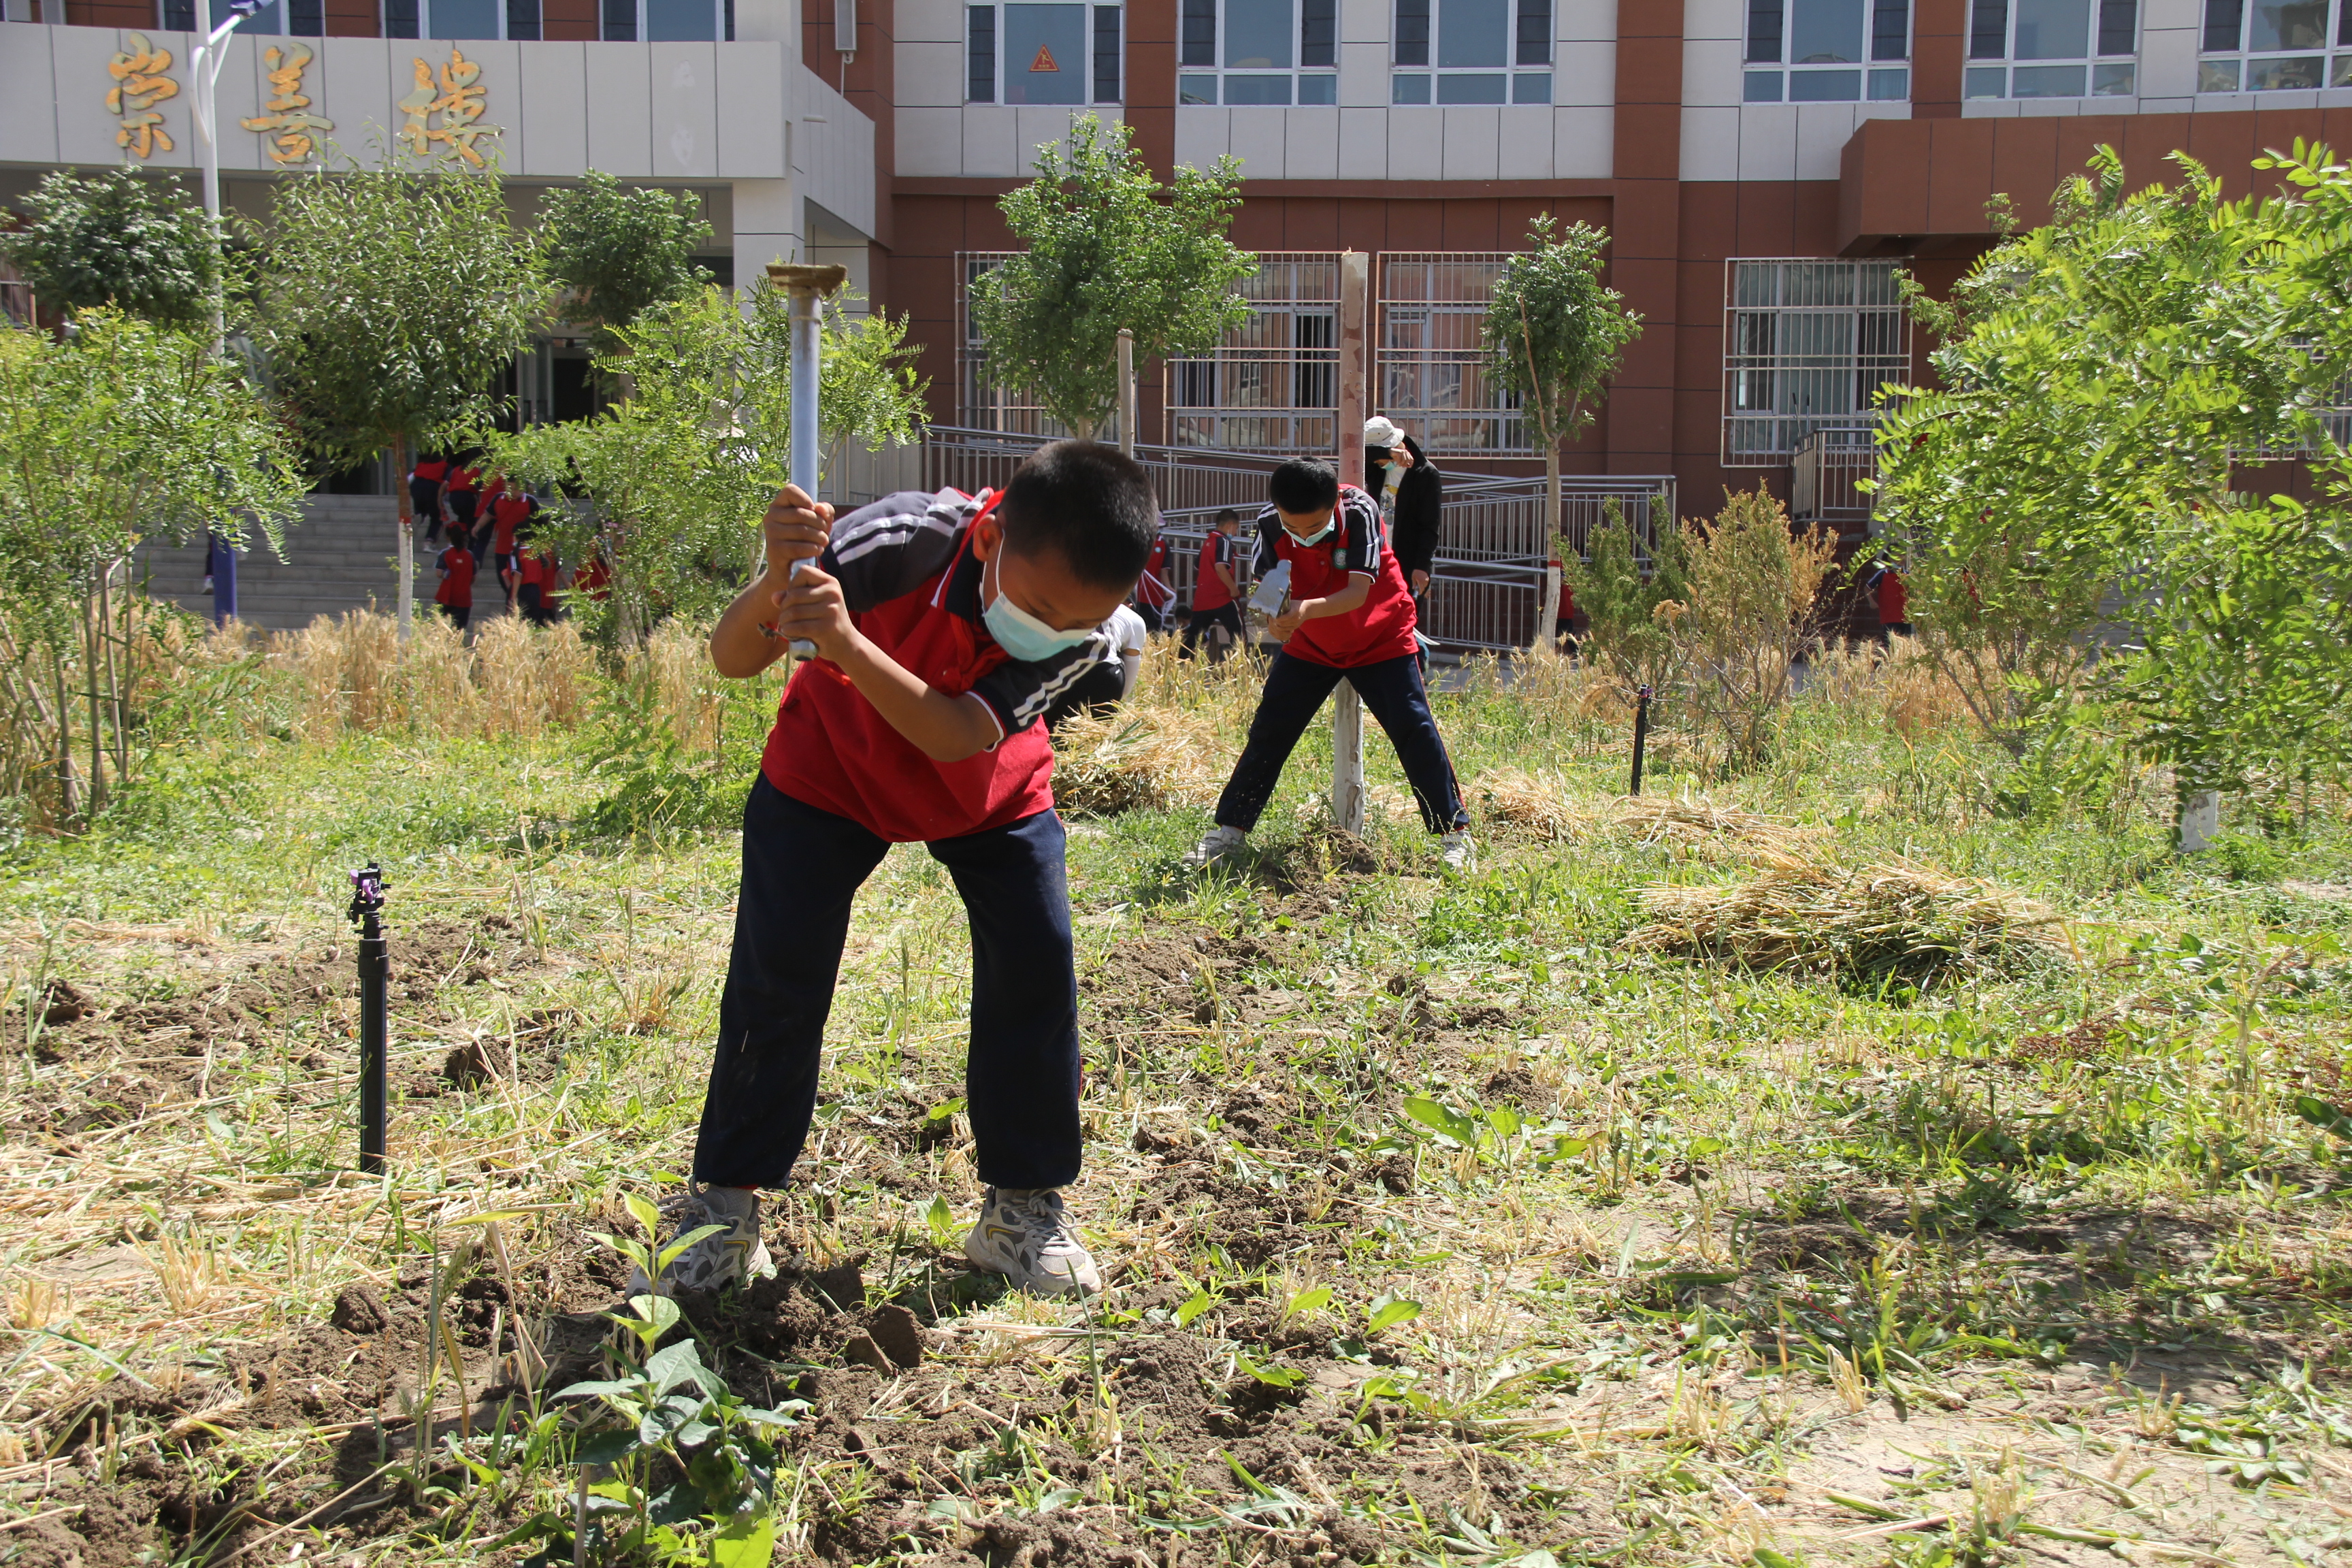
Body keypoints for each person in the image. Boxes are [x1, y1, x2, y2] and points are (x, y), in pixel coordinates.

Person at [637, 440, 1158, 1301]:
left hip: (985, 792)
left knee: (1037, 965)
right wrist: (777, 582)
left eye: (1074, 619)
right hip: (828, 773)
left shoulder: (1087, 638)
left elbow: (955, 733)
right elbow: (734, 658)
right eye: (1037, 606)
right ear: (989, 537)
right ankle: (723, 1207)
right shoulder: (894, 544)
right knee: (776, 976)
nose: (1055, 628)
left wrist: (841, 642)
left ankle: (1021, 1212)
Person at [1185, 459, 1474, 874]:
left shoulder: (1360, 510)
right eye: (1293, 526)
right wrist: (1277, 622)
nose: (1302, 535)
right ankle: (1230, 831)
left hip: (1380, 636)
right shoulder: (1268, 523)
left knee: (1414, 727)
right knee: (1270, 729)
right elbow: (1270, 591)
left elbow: (1358, 592)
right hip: (1312, 644)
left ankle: (1454, 835)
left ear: (1334, 502)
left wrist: (1302, 611)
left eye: (1314, 525)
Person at [1364, 416, 1441, 609]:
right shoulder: (1376, 468)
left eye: (1381, 458)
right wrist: (1387, 452)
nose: (1379, 462)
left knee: (1402, 619)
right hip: (1374, 558)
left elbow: (1430, 525)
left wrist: (1423, 566)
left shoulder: (1425, 474)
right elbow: (1356, 454)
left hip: (1405, 560)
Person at [1044, 601, 1147, 730]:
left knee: (1052, 729)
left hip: (1060, 669)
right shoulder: (1134, 619)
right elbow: (1127, 687)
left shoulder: (1066, 601)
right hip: (1105, 674)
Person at [1179, 509, 1245, 661]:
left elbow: (1198, 565)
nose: (1235, 532)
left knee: (1194, 635)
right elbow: (1220, 567)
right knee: (1238, 634)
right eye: (1236, 528)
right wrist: (1233, 588)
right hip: (1223, 597)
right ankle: (1241, 668)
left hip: (1203, 599)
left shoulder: (1208, 542)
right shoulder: (1224, 542)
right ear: (1230, 525)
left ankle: (1173, 665)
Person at [485, 479, 536, 609]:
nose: (513, 492)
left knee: (519, 576)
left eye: (516, 489)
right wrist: (478, 527)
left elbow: (540, 522)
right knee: (503, 576)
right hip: (502, 548)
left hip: (523, 549)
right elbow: (488, 514)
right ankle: (513, 597)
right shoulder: (499, 498)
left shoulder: (530, 502)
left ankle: (515, 599)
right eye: (510, 488)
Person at [1134, 532, 1175, 636]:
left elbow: (1164, 571)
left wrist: (1168, 588)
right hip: (1134, 591)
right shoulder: (1136, 538)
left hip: (1153, 594)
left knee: (1152, 629)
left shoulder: (1163, 544)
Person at [434, 534, 476, 630]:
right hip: (463, 596)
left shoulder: (445, 554)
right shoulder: (470, 555)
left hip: (445, 595)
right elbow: (473, 577)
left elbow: (439, 573)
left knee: (441, 629)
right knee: (459, 630)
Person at [515, 538, 560, 627]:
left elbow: (517, 574)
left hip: (534, 591)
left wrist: (513, 595)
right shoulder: (537, 553)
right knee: (535, 621)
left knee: (527, 620)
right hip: (540, 592)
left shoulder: (522, 553)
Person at [408, 452, 451, 544]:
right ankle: (429, 541)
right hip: (433, 489)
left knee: (421, 508)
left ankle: (419, 515)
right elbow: (447, 482)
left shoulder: (421, 465)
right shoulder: (444, 465)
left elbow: (410, 478)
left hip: (416, 487)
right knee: (436, 518)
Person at [444, 459, 483, 549]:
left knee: (462, 519)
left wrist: (439, 500)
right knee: (471, 522)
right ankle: (470, 546)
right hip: (467, 497)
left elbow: (444, 485)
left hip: (454, 498)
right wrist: (480, 502)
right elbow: (480, 488)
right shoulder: (476, 471)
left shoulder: (455, 470)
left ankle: (457, 541)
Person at [1872, 562, 1911, 640]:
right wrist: (1872, 602)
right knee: (1889, 644)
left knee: (1905, 643)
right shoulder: (1883, 574)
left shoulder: (1908, 575)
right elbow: (1868, 587)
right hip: (1889, 617)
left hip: (1905, 617)